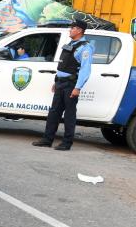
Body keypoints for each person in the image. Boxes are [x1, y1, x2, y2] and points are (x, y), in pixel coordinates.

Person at [32, 19, 94, 151]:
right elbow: (62, 65)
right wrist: (56, 81)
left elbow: (85, 69)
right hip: (60, 83)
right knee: (54, 112)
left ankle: (67, 143)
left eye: (72, 28)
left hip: (71, 85)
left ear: (79, 30)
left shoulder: (85, 48)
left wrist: (78, 87)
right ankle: (47, 140)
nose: (70, 30)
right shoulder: (70, 44)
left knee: (69, 115)